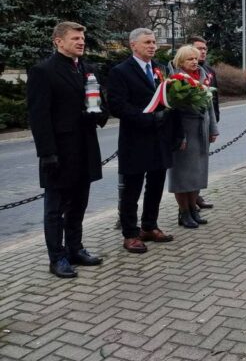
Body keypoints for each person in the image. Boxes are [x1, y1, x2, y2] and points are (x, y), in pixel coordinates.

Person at [27, 22, 108, 278]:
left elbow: (99, 102)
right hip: (59, 152)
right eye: (75, 38)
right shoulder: (43, 71)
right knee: (55, 209)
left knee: (79, 204)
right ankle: (57, 258)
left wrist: (97, 113)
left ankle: (75, 249)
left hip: (85, 148)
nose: (81, 42)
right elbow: (39, 116)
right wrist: (47, 153)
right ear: (58, 42)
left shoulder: (87, 69)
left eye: (82, 38)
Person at [108, 28, 176, 253]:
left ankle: (149, 226)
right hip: (135, 138)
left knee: (156, 185)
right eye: (147, 42)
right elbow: (117, 105)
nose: (152, 46)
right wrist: (146, 119)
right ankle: (130, 234)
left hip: (159, 138)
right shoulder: (120, 71)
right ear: (133, 45)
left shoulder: (160, 69)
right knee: (132, 190)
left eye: (154, 42)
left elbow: (167, 97)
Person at [168, 45, 219, 228]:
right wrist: (179, 136)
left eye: (196, 58)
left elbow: (209, 106)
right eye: (190, 59)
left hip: (201, 130)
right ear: (180, 62)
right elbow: (173, 111)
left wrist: (213, 129)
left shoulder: (203, 76)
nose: (194, 61)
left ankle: (193, 209)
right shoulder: (176, 80)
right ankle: (184, 212)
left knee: (197, 173)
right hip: (185, 132)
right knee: (182, 175)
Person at [186, 36, 218, 210]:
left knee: (200, 165)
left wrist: (214, 125)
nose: (202, 52)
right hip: (190, 127)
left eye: (205, 48)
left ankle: (196, 196)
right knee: (189, 167)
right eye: (199, 48)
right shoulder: (181, 73)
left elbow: (214, 100)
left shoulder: (209, 71)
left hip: (206, 125)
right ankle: (187, 204)